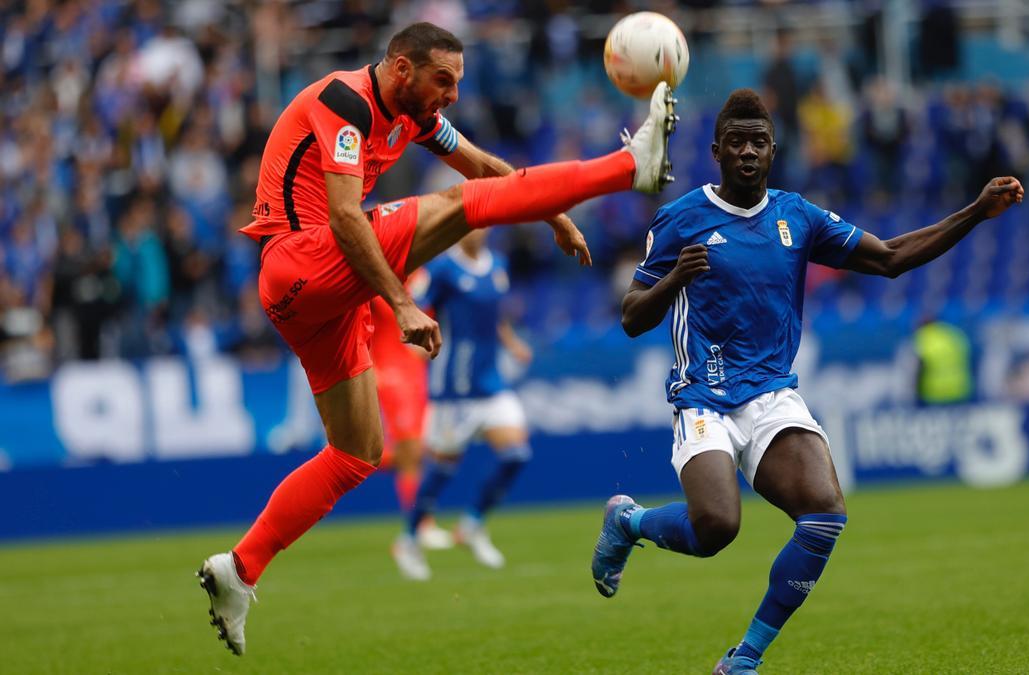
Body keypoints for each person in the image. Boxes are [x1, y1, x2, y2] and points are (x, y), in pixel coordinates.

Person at [198, 22, 678, 656]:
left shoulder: (413, 117)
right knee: (458, 206)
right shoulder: (345, 103)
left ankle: (241, 568)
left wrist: (552, 213)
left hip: (315, 301)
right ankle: (628, 166)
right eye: (442, 80)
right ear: (402, 69)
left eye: (456, 81)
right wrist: (401, 304)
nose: (451, 95)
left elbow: (482, 166)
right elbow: (345, 215)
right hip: (301, 260)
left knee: (357, 453)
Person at [590, 88, 1022, 675]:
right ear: (716, 151)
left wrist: (974, 211)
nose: (748, 152)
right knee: (717, 527)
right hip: (704, 398)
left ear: (774, 150)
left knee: (825, 514)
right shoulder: (681, 218)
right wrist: (675, 279)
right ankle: (630, 521)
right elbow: (632, 316)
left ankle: (745, 658)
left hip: (771, 394)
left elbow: (891, 257)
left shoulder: (798, 215)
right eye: (736, 142)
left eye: (759, 142)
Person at [391, 229, 534, 580]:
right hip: (454, 388)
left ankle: (471, 525)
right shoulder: (442, 270)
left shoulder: (497, 265)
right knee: (443, 469)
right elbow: (414, 305)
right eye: (470, 223)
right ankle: (408, 539)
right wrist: (417, 343)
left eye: (483, 223)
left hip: (491, 382)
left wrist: (512, 342)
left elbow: (494, 317)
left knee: (516, 455)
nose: (477, 230)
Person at [367, 293, 454, 549]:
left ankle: (352, 459)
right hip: (390, 373)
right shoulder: (377, 275)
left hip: (417, 374)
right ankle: (421, 526)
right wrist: (369, 363)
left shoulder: (424, 275)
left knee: (420, 451)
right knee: (412, 450)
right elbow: (356, 319)